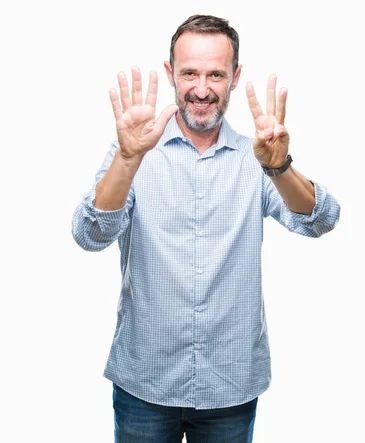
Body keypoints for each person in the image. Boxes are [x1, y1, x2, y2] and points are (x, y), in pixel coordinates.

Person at [71, 14, 340, 443]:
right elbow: (90, 234)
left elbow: (320, 219)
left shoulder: (260, 158)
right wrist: (127, 159)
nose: (201, 89)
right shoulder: (135, 151)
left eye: (215, 74)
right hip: (145, 381)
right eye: (190, 73)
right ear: (169, 74)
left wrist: (279, 167)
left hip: (230, 385)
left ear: (235, 77)